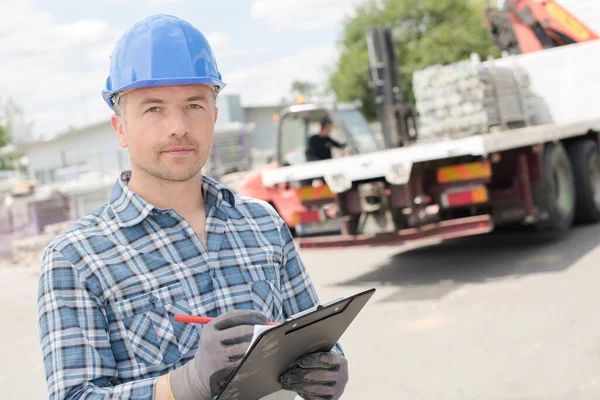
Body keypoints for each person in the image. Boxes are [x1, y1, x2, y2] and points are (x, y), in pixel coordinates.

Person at [37, 14, 348, 400]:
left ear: (214, 117)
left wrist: (326, 366)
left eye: (194, 105)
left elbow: (311, 334)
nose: (178, 127)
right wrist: (184, 384)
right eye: (153, 109)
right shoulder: (76, 259)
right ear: (120, 128)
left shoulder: (263, 223)